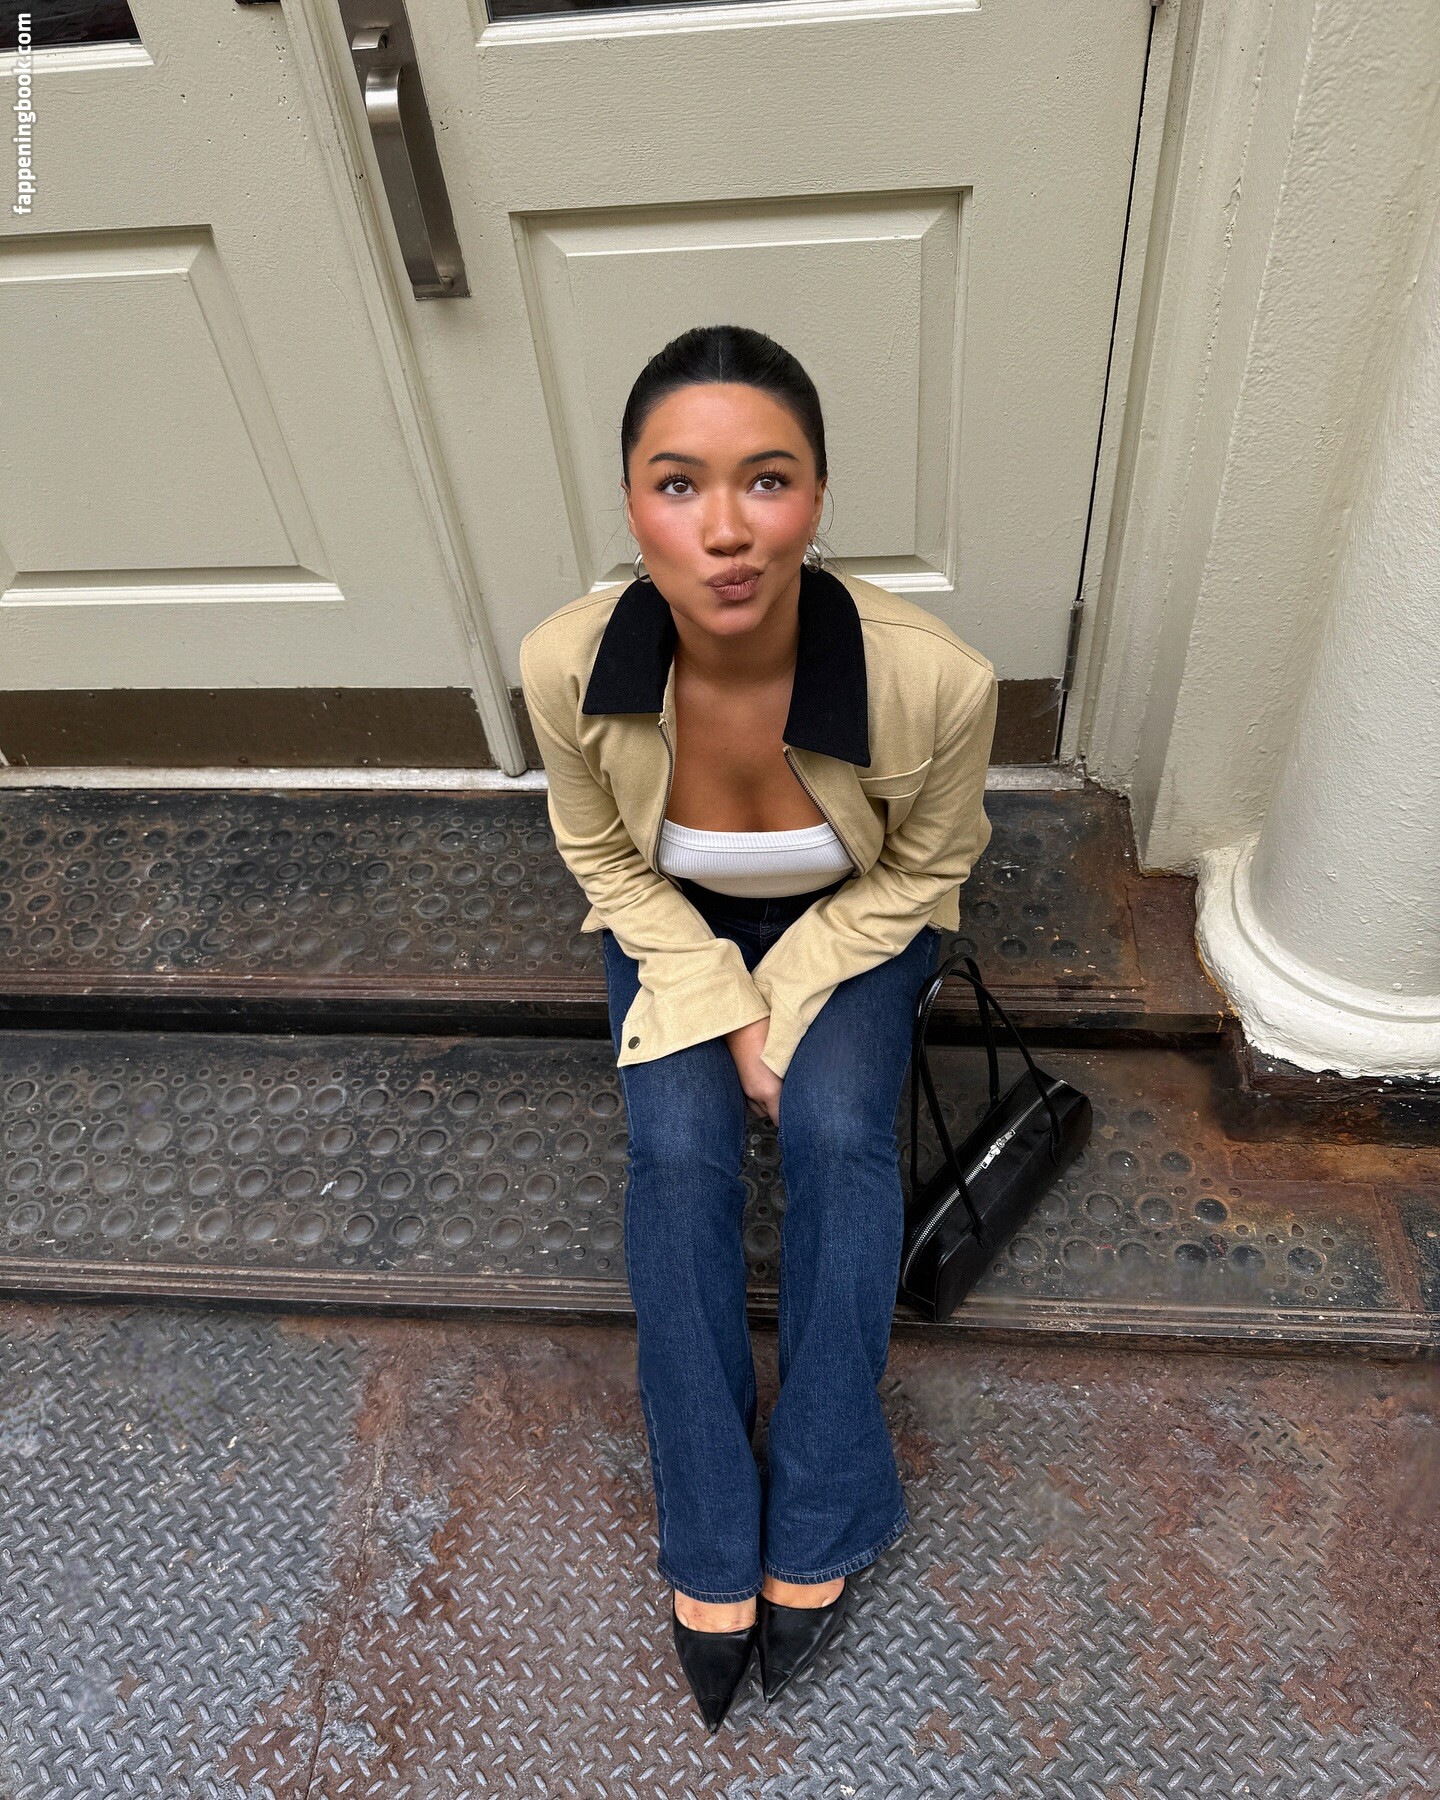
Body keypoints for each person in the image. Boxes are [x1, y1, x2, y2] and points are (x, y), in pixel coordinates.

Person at [518, 324, 997, 1731]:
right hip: (675, 925)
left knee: (840, 1130)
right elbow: (607, 866)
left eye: (767, 480)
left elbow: (928, 870)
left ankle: (830, 1491)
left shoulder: (936, 679)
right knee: (678, 1153)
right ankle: (711, 1522)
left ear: (819, 497)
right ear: (630, 504)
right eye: (679, 484)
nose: (725, 530)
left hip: (856, 920)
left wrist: (783, 1000)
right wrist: (721, 1003)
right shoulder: (563, 665)